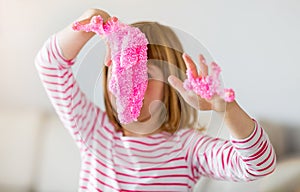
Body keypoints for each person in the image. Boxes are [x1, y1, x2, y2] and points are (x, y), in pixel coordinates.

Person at [35, 8, 276, 192]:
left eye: (146, 74)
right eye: (122, 70)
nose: (131, 84)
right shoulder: (95, 132)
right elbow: (49, 65)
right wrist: (95, 17)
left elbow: (259, 165)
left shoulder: (187, 148)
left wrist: (223, 106)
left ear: (172, 85)